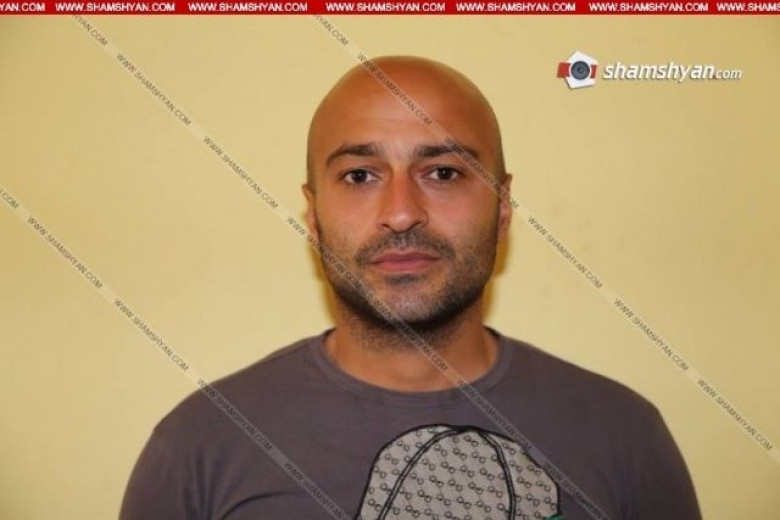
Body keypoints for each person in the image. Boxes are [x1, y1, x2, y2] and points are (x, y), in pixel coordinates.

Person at [119, 55, 702, 520]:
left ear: (502, 208)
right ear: (313, 215)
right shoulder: (202, 445)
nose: (401, 212)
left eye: (443, 172)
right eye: (359, 175)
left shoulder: (625, 437)